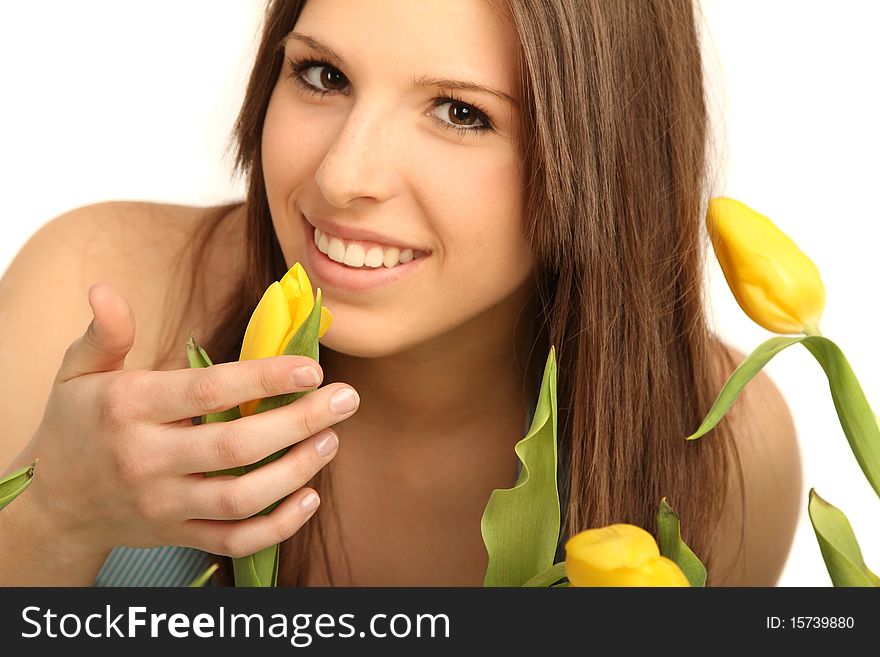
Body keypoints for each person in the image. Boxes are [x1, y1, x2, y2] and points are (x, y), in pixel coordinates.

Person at [0, 0, 800, 587]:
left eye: (460, 113)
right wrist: (52, 524)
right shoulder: (92, 294)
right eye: (324, 74)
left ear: (605, 158)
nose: (342, 176)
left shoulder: (722, 450)